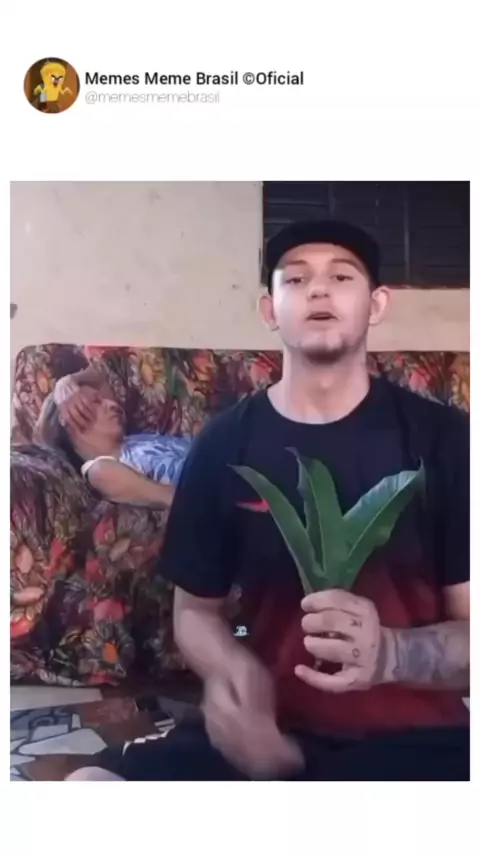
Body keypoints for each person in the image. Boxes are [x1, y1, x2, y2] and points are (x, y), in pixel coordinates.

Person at [67, 220, 469, 782]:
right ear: (268, 310)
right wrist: (232, 669)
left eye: (342, 277)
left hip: (416, 741)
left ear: (376, 305)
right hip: (266, 731)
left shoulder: (447, 440)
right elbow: (196, 612)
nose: (319, 289)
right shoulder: (223, 443)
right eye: (296, 279)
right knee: (88, 787)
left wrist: (391, 655)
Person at [34, 367, 189, 509]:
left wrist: (68, 382)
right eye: (96, 402)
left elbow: (100, 377)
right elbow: (171, 498)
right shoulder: (99, 469)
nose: (112, 404)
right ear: (71, 421)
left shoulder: (130, 442)